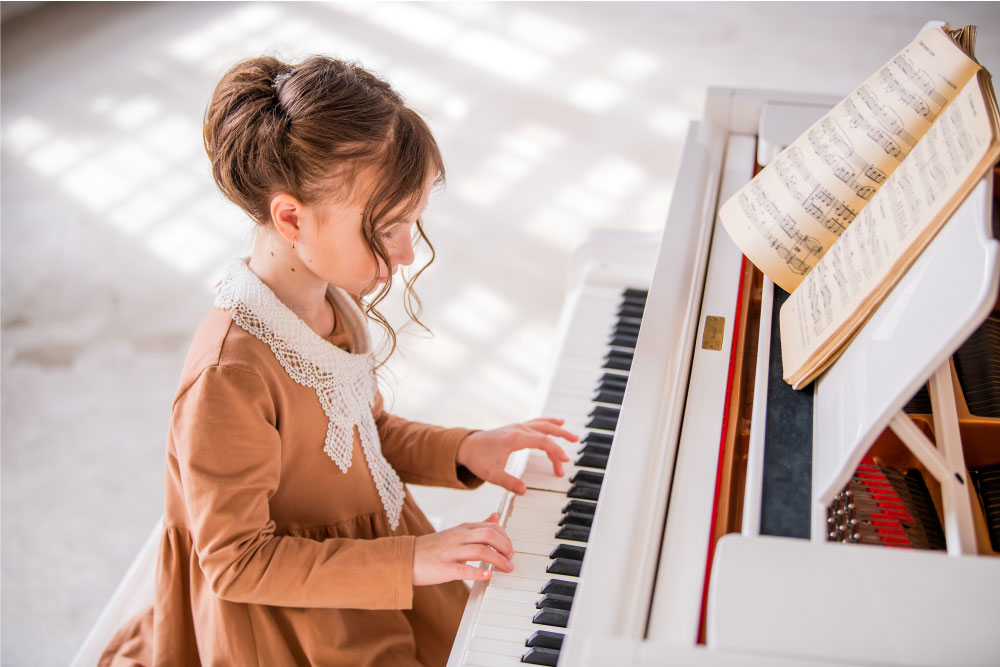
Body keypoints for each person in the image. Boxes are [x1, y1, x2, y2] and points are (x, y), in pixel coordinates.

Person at [98, 55, 577, 666]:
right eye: (388, 228)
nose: (405, 253)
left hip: (368, 569)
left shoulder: (333, 302)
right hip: (288, 619)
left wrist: (462, 448)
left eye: (413, 224)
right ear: (291, 218)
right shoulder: (229, 377)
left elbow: (362, 438)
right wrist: (412, 560)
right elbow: (237, 561)